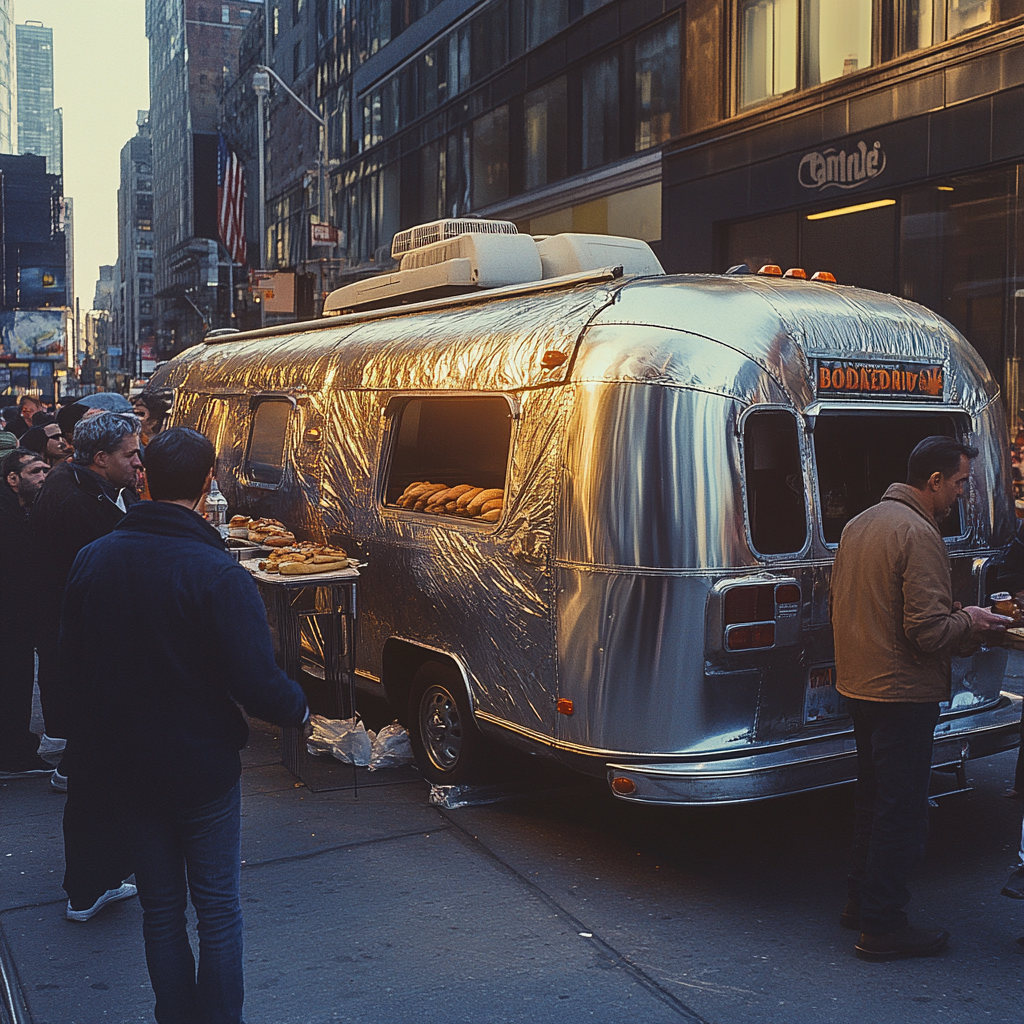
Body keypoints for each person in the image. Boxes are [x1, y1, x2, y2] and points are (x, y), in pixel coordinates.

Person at [59, 427, 308, 1024]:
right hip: (202, 767)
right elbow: (255, 681)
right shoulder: (217, 573)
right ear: (207, 484)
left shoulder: (93, 560)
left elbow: (69, 667)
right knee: (218, 910)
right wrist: (298, 708)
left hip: (127, 764)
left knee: (162, 911)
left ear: (144, 477)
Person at [830, 435, 1009, 961]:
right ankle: (882, 926)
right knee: (901, 809)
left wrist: (947, 616)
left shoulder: (859, 524)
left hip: (862, 686)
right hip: (902, 692)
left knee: (872, 801)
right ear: (932, 481)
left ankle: (860, 905)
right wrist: (971, 620)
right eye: (958, 483)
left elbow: (872, 606)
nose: (961, 494)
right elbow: (928, 631)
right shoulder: (918, 531)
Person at [31, 412, 144, 791]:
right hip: (85, 622)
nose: (138, 462)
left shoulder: (90, 482)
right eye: (129, 455)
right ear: (100, 458)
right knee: (96, 702)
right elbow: (105, 569)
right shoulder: (75, 500)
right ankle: (76, 770)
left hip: (84, 620)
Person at [0, 449, 52, 777]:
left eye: (45, 470)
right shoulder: (7, 516)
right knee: (13, 680)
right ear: (14, 479)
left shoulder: (20, 510)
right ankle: (14, 754)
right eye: (35, 471)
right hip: (10, 616)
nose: (43, 476)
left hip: (16, 615)